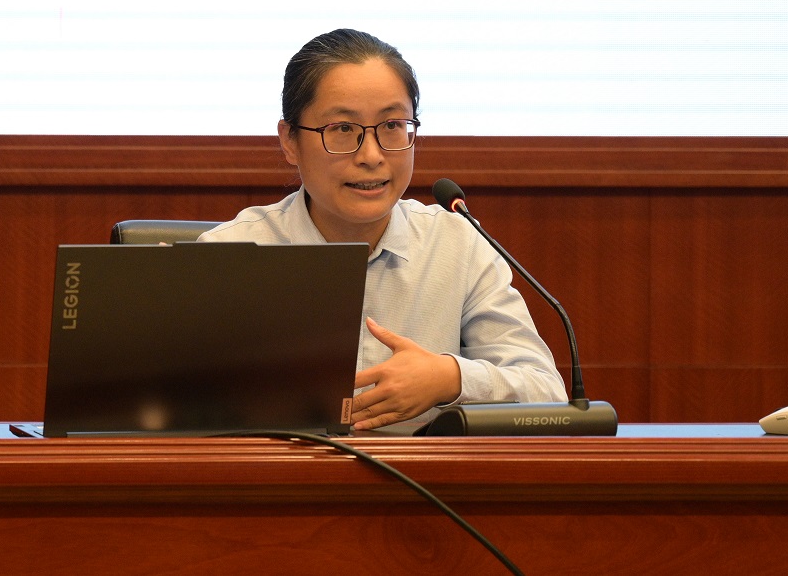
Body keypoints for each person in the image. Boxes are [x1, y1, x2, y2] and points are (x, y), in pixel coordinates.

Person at [200, 28, 568, 430]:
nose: (372, 156)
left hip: (418, 471)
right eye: (343, 129)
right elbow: (175, 409)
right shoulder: (227, 254)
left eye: (392, 125)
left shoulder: (458, 244)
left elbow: (546, 392)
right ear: (290, 141)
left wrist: (450, 378)